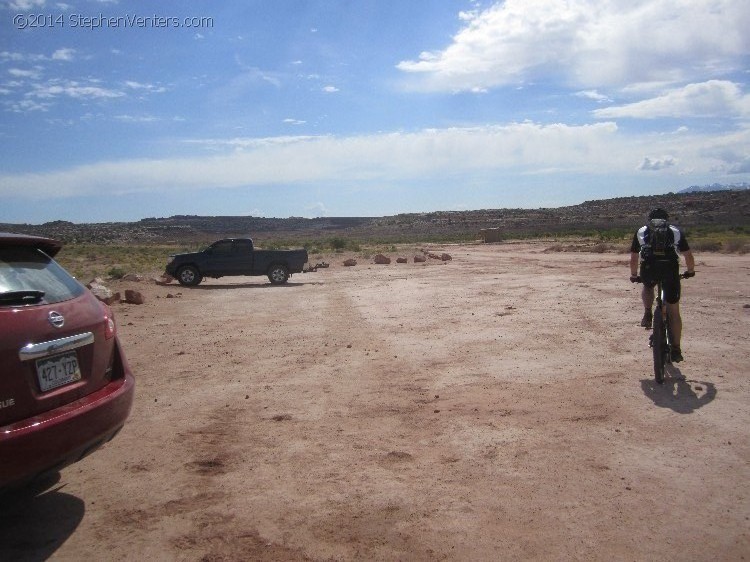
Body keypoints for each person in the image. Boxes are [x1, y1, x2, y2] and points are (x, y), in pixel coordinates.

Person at [630, 208, 695, 362]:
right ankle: (676, 349)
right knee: (674, 310)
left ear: (649, 219)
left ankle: (647, 312)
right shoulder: (674, 231)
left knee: (647, 286)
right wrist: (690, 271)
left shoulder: (642, 231)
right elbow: (688, 255)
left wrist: (634, 275)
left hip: (649, 268)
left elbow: (634, 257)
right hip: (670, 269)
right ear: (666, 219)